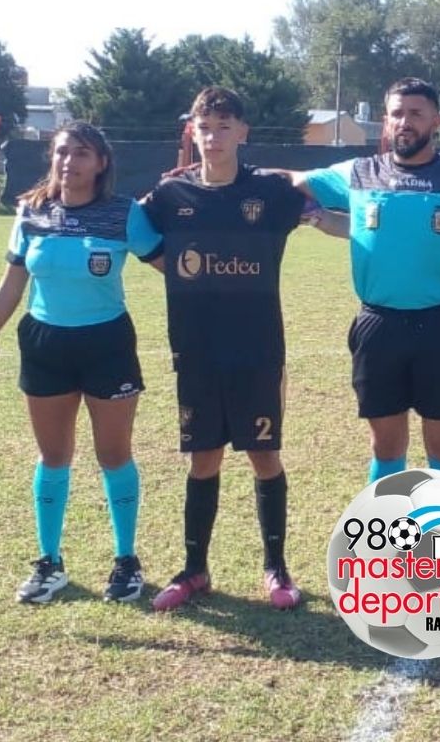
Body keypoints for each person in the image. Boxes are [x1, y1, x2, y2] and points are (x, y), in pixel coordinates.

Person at [139, 87, 343, 612]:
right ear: (193, 132)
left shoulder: (271, 191)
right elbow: (130, 229)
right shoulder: (169, 194)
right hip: (196, 348)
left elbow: (332, 217)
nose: (214, 137)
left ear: (243, 132)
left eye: (224, 126)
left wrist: (373, 226)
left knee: (263, 455)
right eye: (205, 127)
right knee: (203, 458)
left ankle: (276, 568)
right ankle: (194, 569)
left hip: (257, 348)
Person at [285, 77, 440, 483]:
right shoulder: (359, 173)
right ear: (385, 121)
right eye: (397, 113)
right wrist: (215, 173)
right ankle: (387, 524)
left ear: (436, 121)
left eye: (416, 113)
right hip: (378, 326)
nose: (405, 121)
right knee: (385, 445)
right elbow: (293, 180)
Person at [0, 121, 162, 604]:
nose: (69, 162)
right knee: (53, 457)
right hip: (45, 343)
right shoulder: (31, 210)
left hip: (107, 343)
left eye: (82, 153)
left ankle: (126, 561)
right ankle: (49, 563)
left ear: (102, 163)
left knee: (113, 454)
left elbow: (173, 265)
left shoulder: (124, 214)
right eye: (62, 152)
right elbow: (11, 285)